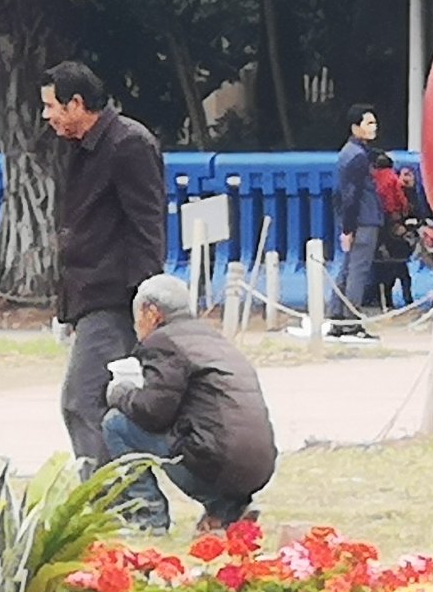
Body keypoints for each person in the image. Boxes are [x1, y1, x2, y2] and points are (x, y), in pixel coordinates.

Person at [43, 61, 170, 471]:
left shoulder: (128, 144)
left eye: (51, 106)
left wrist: (145, 301)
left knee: (82, 400)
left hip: (115, 296)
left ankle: (109, 497)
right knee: (100, 401)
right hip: (89, 294)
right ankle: (125, 493)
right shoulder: (82, 147)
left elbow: (147, 226)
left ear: (76, 104)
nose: (46, 116)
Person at [103, 272, 278, 534]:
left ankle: (148, 515)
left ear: (152, 313)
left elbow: (153, 413)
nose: (136, 325)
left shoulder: (164, 342)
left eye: (137, 315)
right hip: (259, 465)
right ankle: (227, 510)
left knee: (116, 424)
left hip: (218, 461)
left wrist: (120, 393)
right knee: (198, 435)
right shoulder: (211, 339)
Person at [328, 102, 384, 336]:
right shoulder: (358, 157)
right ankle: (352, 321)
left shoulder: (349, 152)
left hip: (356, 219)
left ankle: (337, 316)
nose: (374, 127)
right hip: (364, 219)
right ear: (355, 127)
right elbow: (352, 194)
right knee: (358, 271)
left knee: (347, 269)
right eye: (368, 123)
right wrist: (348, 228)